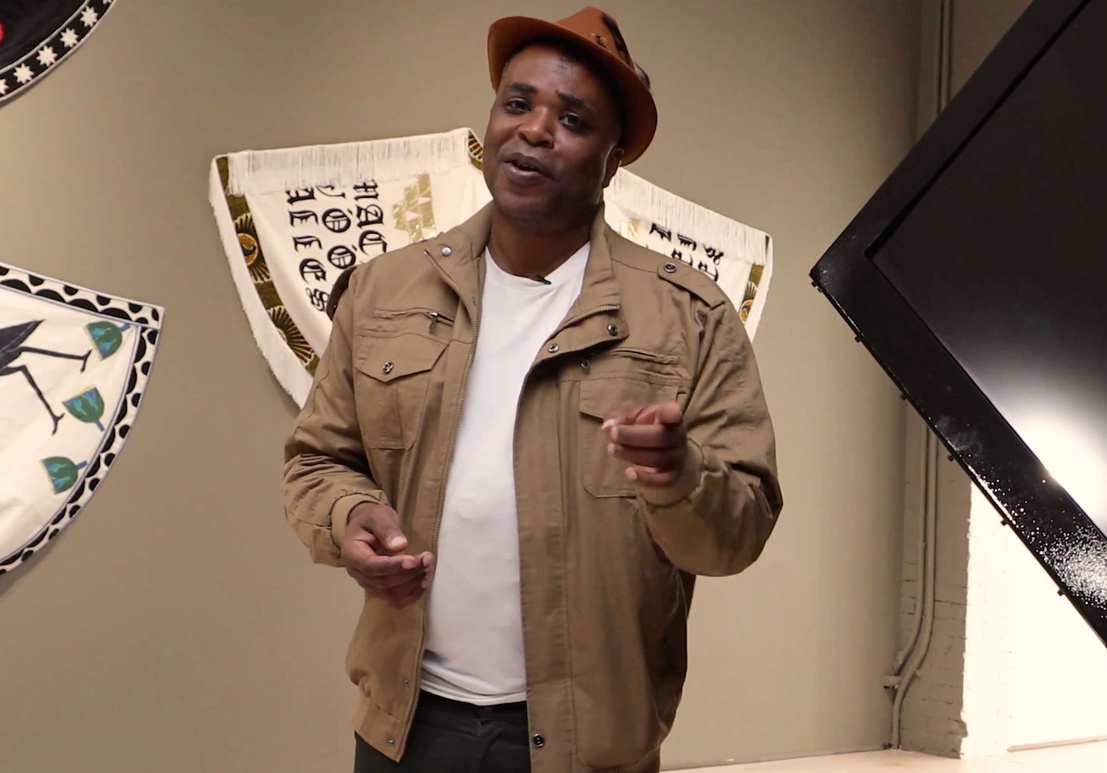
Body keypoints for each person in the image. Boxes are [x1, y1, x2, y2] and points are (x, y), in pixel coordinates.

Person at [282, 7, 783, 772]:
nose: (536, 130)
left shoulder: (689, 317)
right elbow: (317, 461)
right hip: (405, 727)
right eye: (518, 104)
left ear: (612, 162)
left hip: (587, 744)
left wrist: (681, 477)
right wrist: (350, 515)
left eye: (573, 119)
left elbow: (739, 531)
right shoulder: (384, 289)